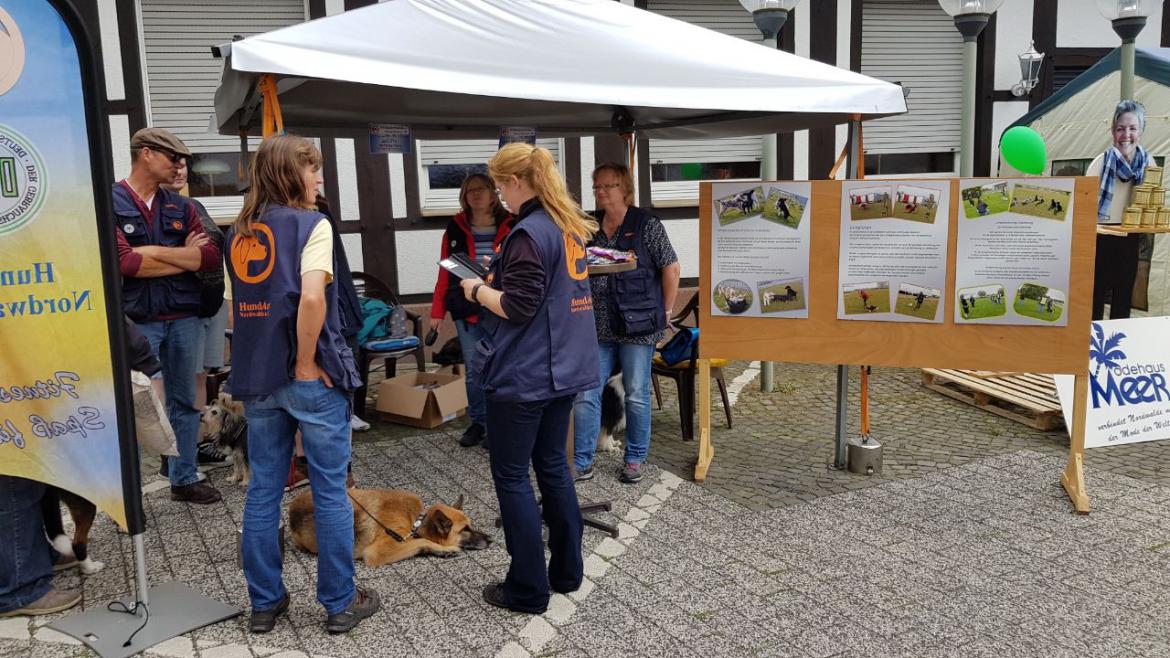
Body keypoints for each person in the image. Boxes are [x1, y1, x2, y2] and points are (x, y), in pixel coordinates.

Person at [224, 135, 377, 634]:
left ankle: (265, 604)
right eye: (313, 170)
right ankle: (339, 602)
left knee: (263, 490)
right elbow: (312, 299)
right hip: (305, 374)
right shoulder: (313, 225)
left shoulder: (238, 232)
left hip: (257, 376)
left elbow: (237, 312)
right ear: (292, 174)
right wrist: (307, 361)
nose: (319, 180)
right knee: (330, 490)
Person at [457, 142, 600, 614]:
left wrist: (477, 290)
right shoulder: (567, 225)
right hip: (564, 368)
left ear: (517, 181)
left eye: (501, 187)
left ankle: (527, 588)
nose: (500, 197)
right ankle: (567, 572)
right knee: (554, 468)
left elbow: (518, 307)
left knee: (513, 476)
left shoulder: (527, 233)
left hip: (525, 372)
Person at [114, 128, 222, 504]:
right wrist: (181, 257)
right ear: (146, 154)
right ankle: (126, 492)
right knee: (132, 403)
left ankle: (184, 478)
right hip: (136, 319)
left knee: (185, 402)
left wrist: (150, 253)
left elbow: (208, 257)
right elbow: (125, 264)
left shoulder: (183, 206)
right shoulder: (110, 202)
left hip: (184, 317)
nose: (179, 166)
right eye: (172, 157)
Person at [571, 163, 680, 484]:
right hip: (596, 326)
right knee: (586, 392)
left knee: (636, 393)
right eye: (597, 186)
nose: (601, 191)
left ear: (625, 189)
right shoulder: (589, 225)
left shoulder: (646, 224)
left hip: (638, 324)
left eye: (608, 185)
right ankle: (582, 460)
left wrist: (666, 311)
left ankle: (634, 458)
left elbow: (671, 268)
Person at [429, 173, 515, 448]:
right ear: (464, 196)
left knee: (501, 367)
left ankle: (499, 425)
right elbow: (444, 272)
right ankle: (479, 422)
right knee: (475, 370)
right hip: (466, 307)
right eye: (470, 191)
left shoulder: (511, 223)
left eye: (481, 189)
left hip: (500, 305)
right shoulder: (455, 227)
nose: (476, 195)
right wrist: (437, 313)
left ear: (493, 193)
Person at [164, 157, 230, 470]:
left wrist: (194, 253)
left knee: (200, 379)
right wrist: (188, 253)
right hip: (184, 309)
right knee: (180, 386)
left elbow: (211, 251)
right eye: (171, 163)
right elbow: (147, 260)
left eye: (182, 164)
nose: (179, 170)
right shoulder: (152, 211)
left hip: (211, 304)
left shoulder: (193, 204)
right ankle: (173, 455)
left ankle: (197, 444)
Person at [1093, 100, 1149, 320]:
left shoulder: (1148, 164)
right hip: (1100, 238)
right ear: (1112, 131)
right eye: (1120, 128)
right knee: (1095, 298)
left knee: (1123, 300)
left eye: (1132, 128)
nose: (1126, 135)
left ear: (1141, 131)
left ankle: (1118, 339)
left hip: (1130, 238)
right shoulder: (1100, 164)